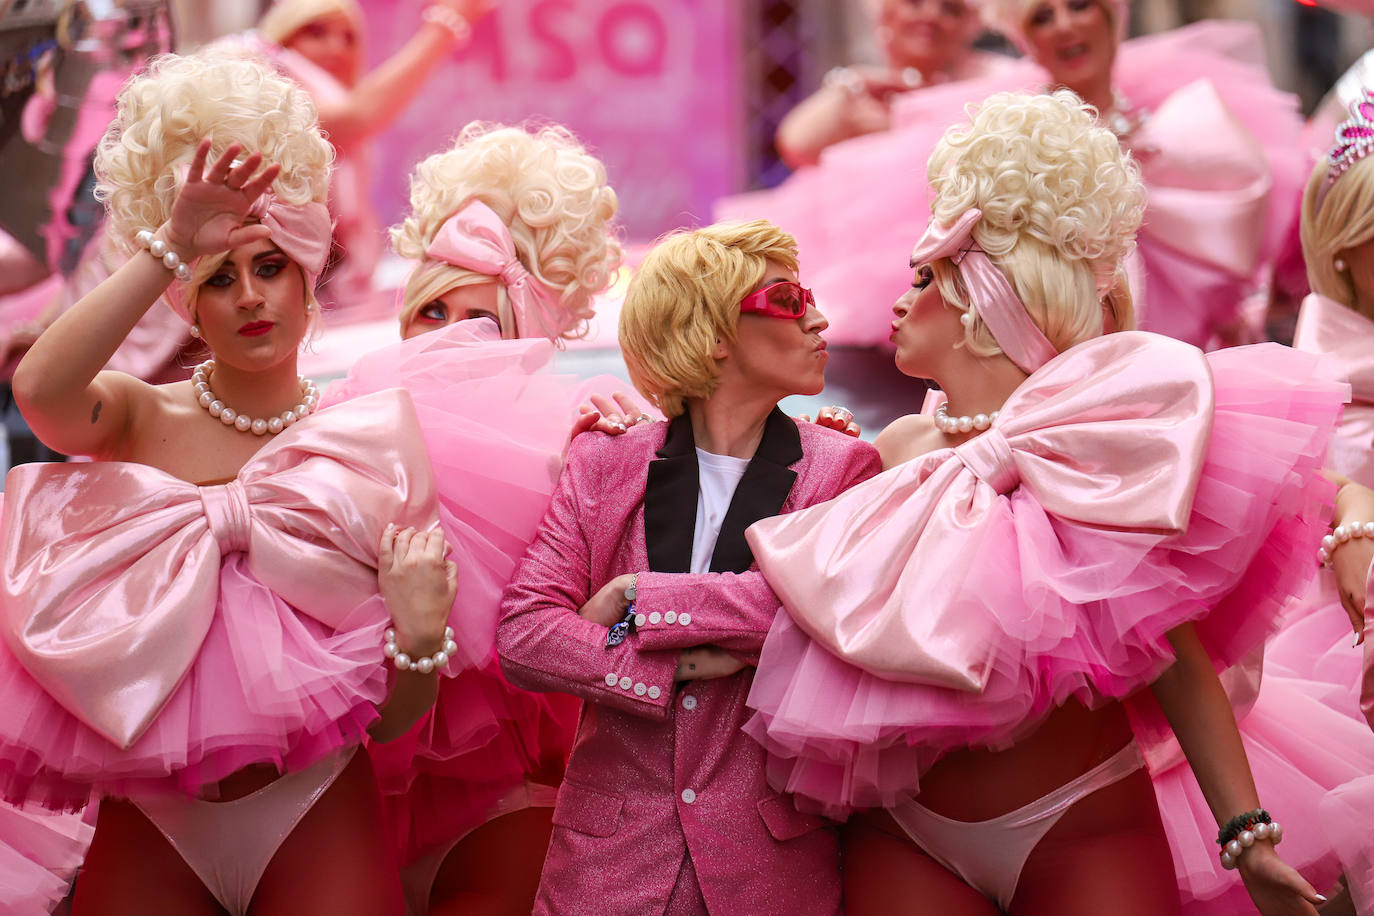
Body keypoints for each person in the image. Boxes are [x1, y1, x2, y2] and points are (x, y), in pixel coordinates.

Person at [741, 90, 1342, 916]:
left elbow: (1176, 654)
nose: (900, 297)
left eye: (926, 279)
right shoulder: (889, 455)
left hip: (1083, 821)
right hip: (905, 831)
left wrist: (1249, 838)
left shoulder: (1091, 455)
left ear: (983, 307)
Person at [0, 53, 455, 915]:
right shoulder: (136, 417)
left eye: (271, 266)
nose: (248, 295)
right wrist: (170, 241)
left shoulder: (369, 443)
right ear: (185, 301)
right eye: (217, 277)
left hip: (317, 812)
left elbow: (396, 724)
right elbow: (39, 389)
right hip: (153, 824)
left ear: (310, 275)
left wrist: (422, 636)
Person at [496, 219, 881, 914]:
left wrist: (641, 599)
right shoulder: (605, 460)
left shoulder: (845, 468)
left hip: (768, 871)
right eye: (789, 301)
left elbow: (810, 606)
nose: (819, 318)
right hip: (606, 869)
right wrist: (669, 666)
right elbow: (526, 632)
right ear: (713, 331)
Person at [326, 122, 630, 915]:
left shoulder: (586, 440)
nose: (454, 340)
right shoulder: (332, 426)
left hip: (507, 800)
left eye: (484, 321)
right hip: (331, 807)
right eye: (433, 315)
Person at [230, 0, 494, 308]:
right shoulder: (262, 103)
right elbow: (358, 116)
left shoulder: (350, 143)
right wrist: (448, 21)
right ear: (278, 42)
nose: (336, 48)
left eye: (349, 38)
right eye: (315, 32)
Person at [775, 0, 1008, 169]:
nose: (931, 15)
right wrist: (856, 80)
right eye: (914, 2)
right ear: (885, 14)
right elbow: (795, 145)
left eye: (950, 9)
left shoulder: (994, 82)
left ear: (969, 26)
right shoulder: (866, 92)